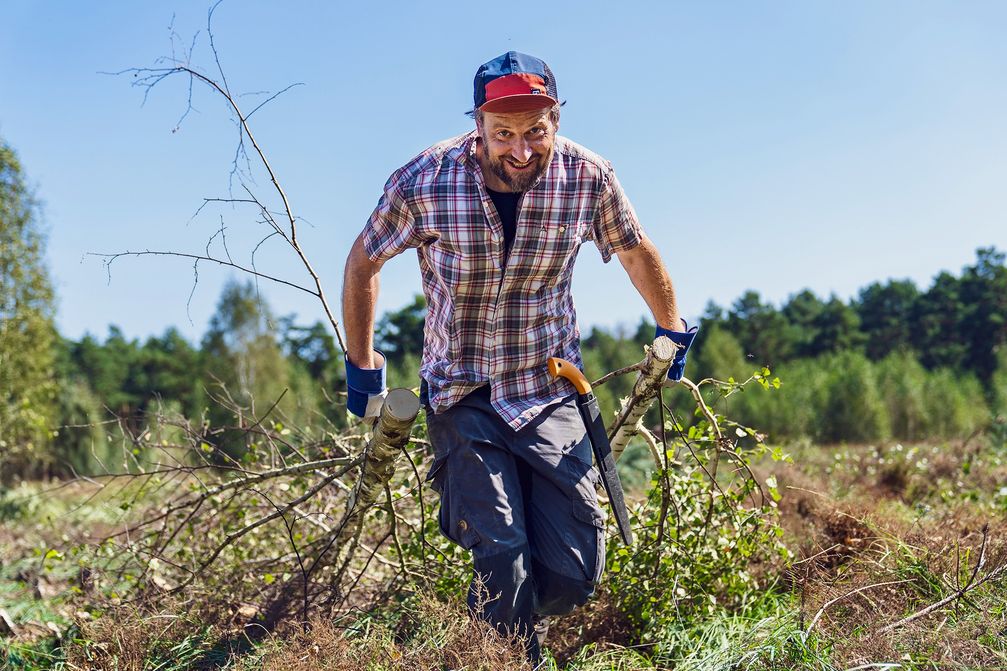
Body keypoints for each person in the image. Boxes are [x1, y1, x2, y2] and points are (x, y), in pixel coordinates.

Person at [341, 51, 696, 662]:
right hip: (463, 390)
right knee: (500, 550)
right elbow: (365, 260)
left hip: (549, 385)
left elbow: (635, 249)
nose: (521, 150)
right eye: (503, 133)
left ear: (556, 118)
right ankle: (504, 652)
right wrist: (362, 365)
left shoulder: (588, 177)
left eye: (536, 131)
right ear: (478, 122)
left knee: (576, 570)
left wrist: (671, 329)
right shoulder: (424, 180)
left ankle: (507, 621)